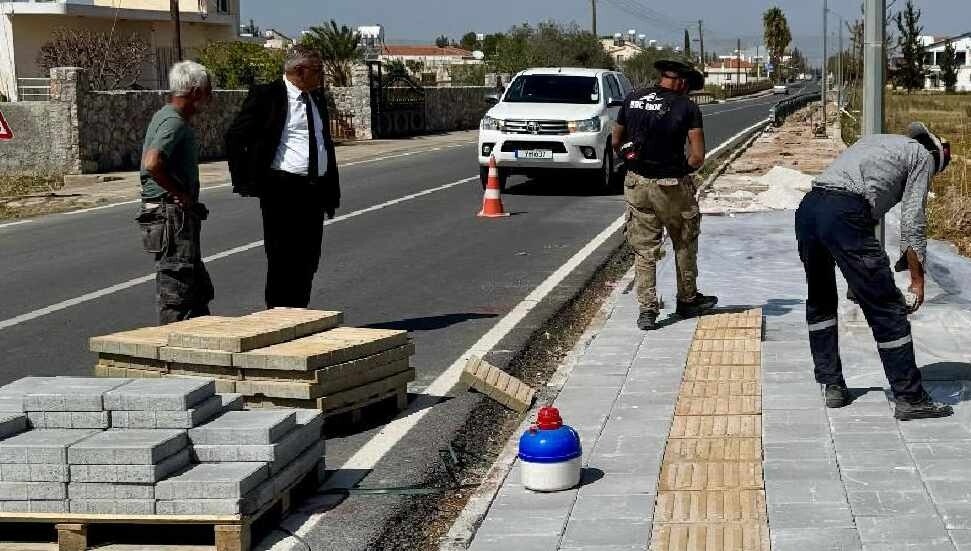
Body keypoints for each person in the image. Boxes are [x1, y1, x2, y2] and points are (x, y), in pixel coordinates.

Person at [795, 122, 954, 420]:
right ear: (934, 155)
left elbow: (855, 210)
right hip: (844, 213)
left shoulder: (878, 142)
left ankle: (832, 385)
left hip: (809, 209)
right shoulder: (922, 157)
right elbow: (912, 222)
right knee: (887, 309)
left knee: (820, 300)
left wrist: (859, 283)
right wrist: (918, 282)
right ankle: (910, 397)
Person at [226, 45, 340, 308]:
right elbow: (235, 137)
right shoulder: (268, 96)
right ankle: (278, 318)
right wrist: (247, 181)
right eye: (317, 70)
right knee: (282, 259)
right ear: (300, 71)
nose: (321, 75)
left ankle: (299, 314)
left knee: (308, 258)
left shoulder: (316, 98)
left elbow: (324, 144)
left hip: (314, 189)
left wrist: (331, 191)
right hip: (282, 189)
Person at [612, 60, 718, 331]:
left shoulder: (632, 99)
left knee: (644, 248)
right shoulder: (687, 107)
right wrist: (681, 170)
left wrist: (633, 160)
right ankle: (687, 299)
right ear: (682, 82)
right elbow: (696, 156)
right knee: (683, 239)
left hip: (636, 183)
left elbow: (616, 141)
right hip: (671, 185)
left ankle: (647, 310)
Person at [137, 60, 214, 325]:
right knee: (178, 290)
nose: (208, 98)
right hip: (170, 215)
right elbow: (152, 162)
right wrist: (180, 193)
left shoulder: (168, 117)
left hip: (176, 214)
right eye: (206, 91)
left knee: (195, 288)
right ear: (194, 92)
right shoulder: (173, 122)